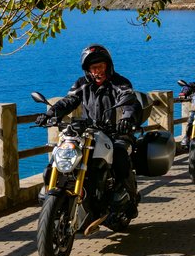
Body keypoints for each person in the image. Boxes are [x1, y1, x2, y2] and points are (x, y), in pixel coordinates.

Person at [35, 44, 142, 217]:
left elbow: (130, 102)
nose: (97, 71)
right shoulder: (81, 84)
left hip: (117, 132)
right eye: (93, 68)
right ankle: (52, 192)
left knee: (121, 156)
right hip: (89, 132)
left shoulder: (120, 83)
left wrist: (127, 119)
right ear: (88, 69)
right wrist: (50, 114)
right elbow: (68, 101)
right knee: (58, 156)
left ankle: (131, 198)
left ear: (108, 66)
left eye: (100, 66)